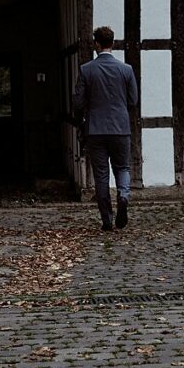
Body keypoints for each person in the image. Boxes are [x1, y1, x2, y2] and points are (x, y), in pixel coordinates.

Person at [73, 25, 139, 231]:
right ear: (113, 43)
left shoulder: (86, 69)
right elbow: (133, 100)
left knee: (101, 174)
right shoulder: (126, 70)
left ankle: (107, 220)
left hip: (96, 129)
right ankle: (124, 196)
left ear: (96, 44)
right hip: (120, 127)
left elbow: (78, 103)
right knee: (123, 168)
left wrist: (83, 119)